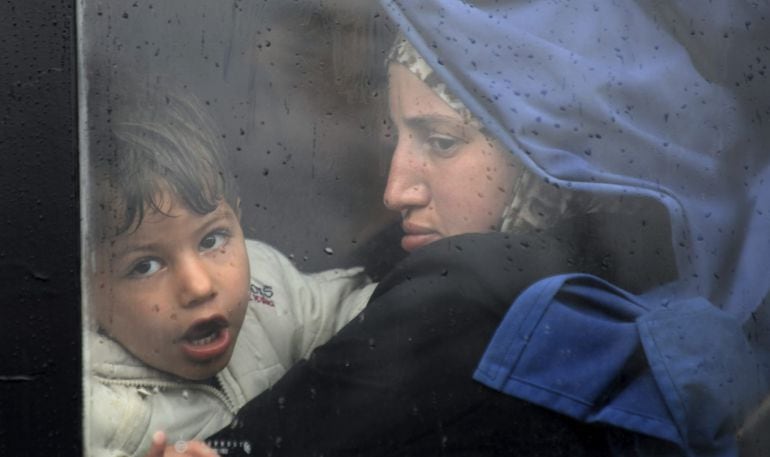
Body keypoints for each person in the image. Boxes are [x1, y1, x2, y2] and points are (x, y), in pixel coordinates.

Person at [151, 1, 770, 455]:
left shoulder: (469, 298)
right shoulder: (659, 299)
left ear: (547, 162)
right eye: (395, 138)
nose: (397, 190)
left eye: (441, 142)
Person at [85, 84, 377, 457]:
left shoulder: (266, 290)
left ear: (238, 217)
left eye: (212, 240)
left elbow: (361, 319)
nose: (200, 285)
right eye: (145, 266)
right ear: (87, 288)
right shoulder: (95, 412)